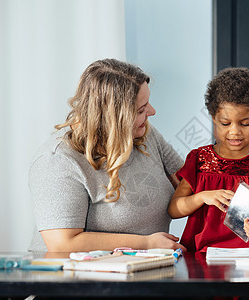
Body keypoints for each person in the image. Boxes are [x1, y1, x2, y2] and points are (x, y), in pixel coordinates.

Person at [29, 58, 185, 252]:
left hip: (140, 272)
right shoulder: (58, 160)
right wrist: (145, 244)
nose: (152, 112)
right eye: (141, 110)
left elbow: (189, 185)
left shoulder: (145, 134)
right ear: (112, 118)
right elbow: (63, 244)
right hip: (79, 278)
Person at [168, 67, 249, 254]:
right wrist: (202, 197)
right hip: (205, 256)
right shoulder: (199, 159)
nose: (235, 131)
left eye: (245, 123)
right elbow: (174, 209)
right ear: (213, 118)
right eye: (226, 123)